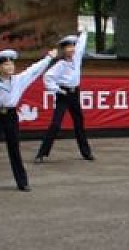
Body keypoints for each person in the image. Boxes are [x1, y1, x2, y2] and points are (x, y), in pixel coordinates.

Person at [0, 47, 56, 193]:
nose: (10, 67)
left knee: (14, 149)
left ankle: (22, 182)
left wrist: (49, 58)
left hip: (11, 116)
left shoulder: (18, 80)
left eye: (11, 64)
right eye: (6, 64)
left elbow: (34, 70)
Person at [35, 31, 94, 163]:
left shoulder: (77, 58)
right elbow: (47, 78)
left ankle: (86, 152)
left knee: (79, 123)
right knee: (56, 123)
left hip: (74, 94)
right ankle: (42, 153)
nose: (72, 49)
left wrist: (84, 33)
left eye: (73, 46)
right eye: (68, 47)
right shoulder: (60, 65)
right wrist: (57, 89)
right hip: (63, 94)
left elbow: (82, 45)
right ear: (63, 50)